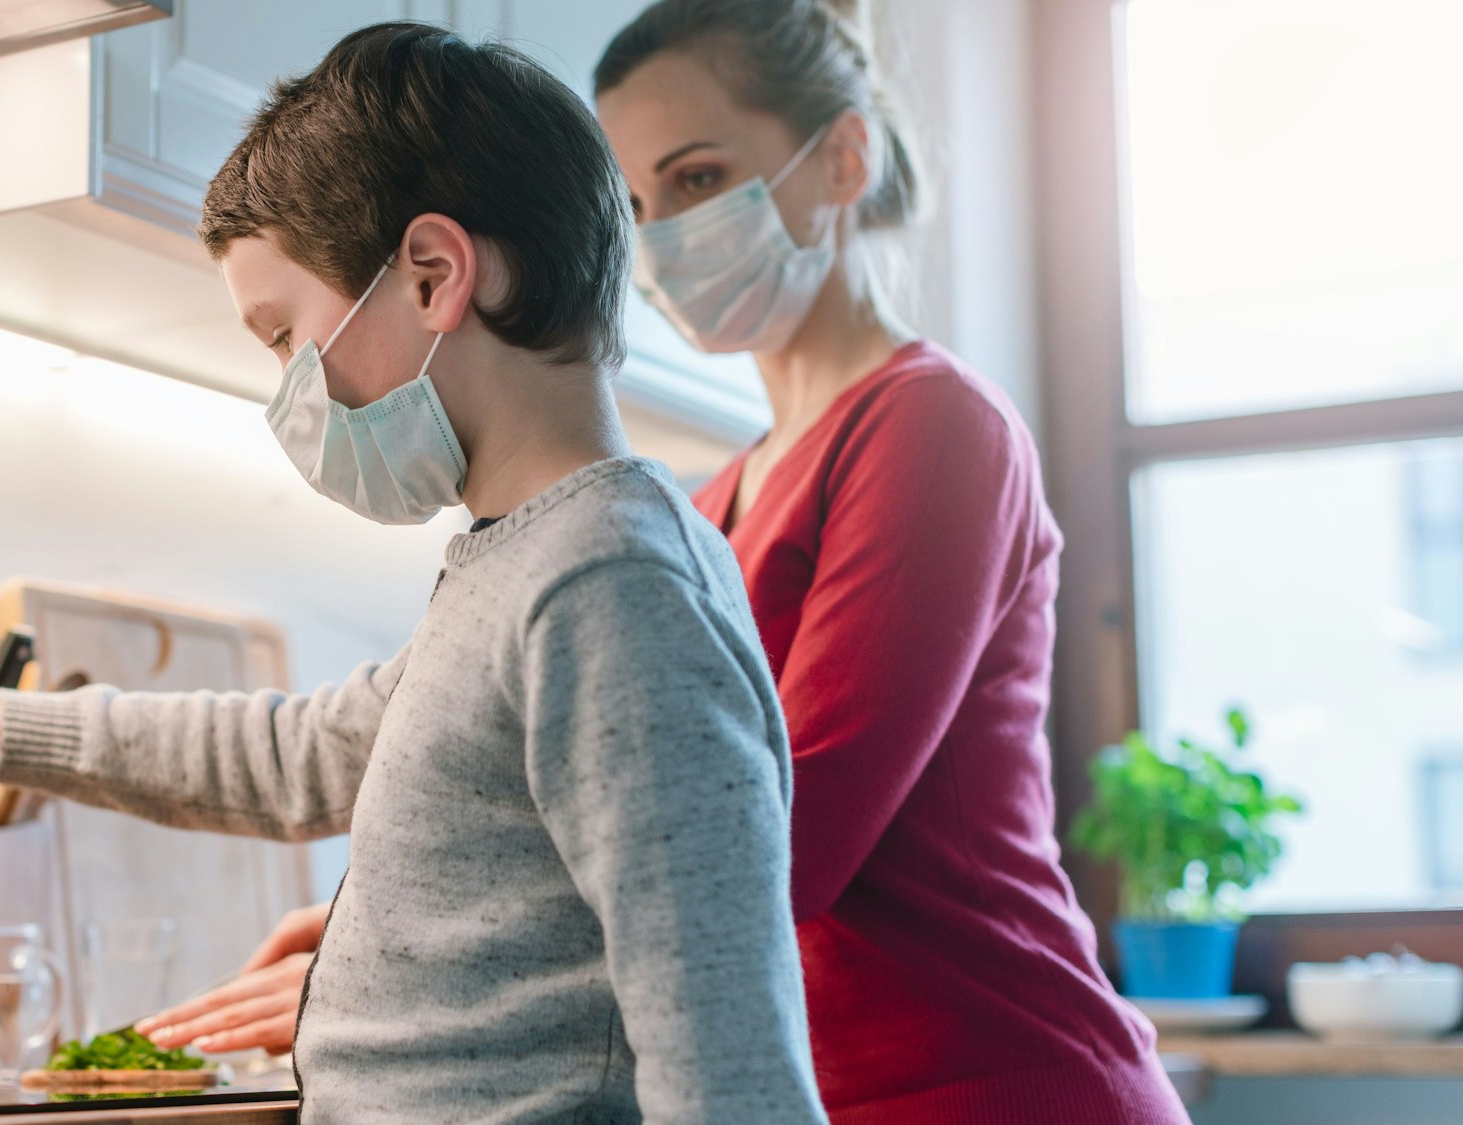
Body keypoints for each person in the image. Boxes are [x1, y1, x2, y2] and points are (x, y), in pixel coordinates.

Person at [0, 21, 828, 1125]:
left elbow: (726, 1059)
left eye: (282, 336)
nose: (289, 394)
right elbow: (300, 755)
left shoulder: (606, 588)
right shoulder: (528, 563)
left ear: (434, 275)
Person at [148, 2, 1193, 1122]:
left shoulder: (931, 428)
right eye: (639, 203)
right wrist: (405, 927)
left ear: (841, 159)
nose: (666, 235)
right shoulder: (705, 500)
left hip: (996, 1080)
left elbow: (773, 838)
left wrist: (436, 967)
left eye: (697, 180)